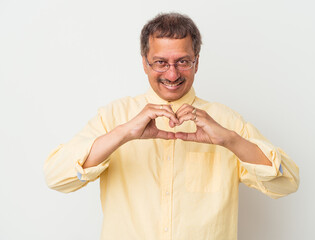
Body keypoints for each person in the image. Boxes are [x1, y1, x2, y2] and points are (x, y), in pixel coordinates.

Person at [44, 12, 299, 240]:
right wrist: (123, 134)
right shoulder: (114, 116)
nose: (172, 74)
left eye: (183, 62)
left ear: (196, 63)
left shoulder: (226, 121)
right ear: (144, 62)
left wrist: (231, 140)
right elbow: (57, 177)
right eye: (161, 62)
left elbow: (287, 183)